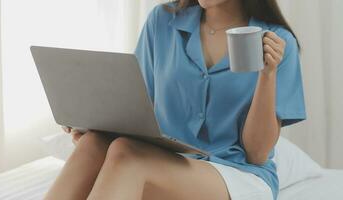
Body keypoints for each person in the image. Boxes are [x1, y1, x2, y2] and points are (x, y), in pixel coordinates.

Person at [45, 0, 306, 200]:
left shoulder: (277, 42)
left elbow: (257, 153)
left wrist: (268, 74)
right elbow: (137, 109)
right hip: (168, 158)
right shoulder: (162, 21)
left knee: (127, 155)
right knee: (93, 143)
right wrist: (94, 125)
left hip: (237, 173)